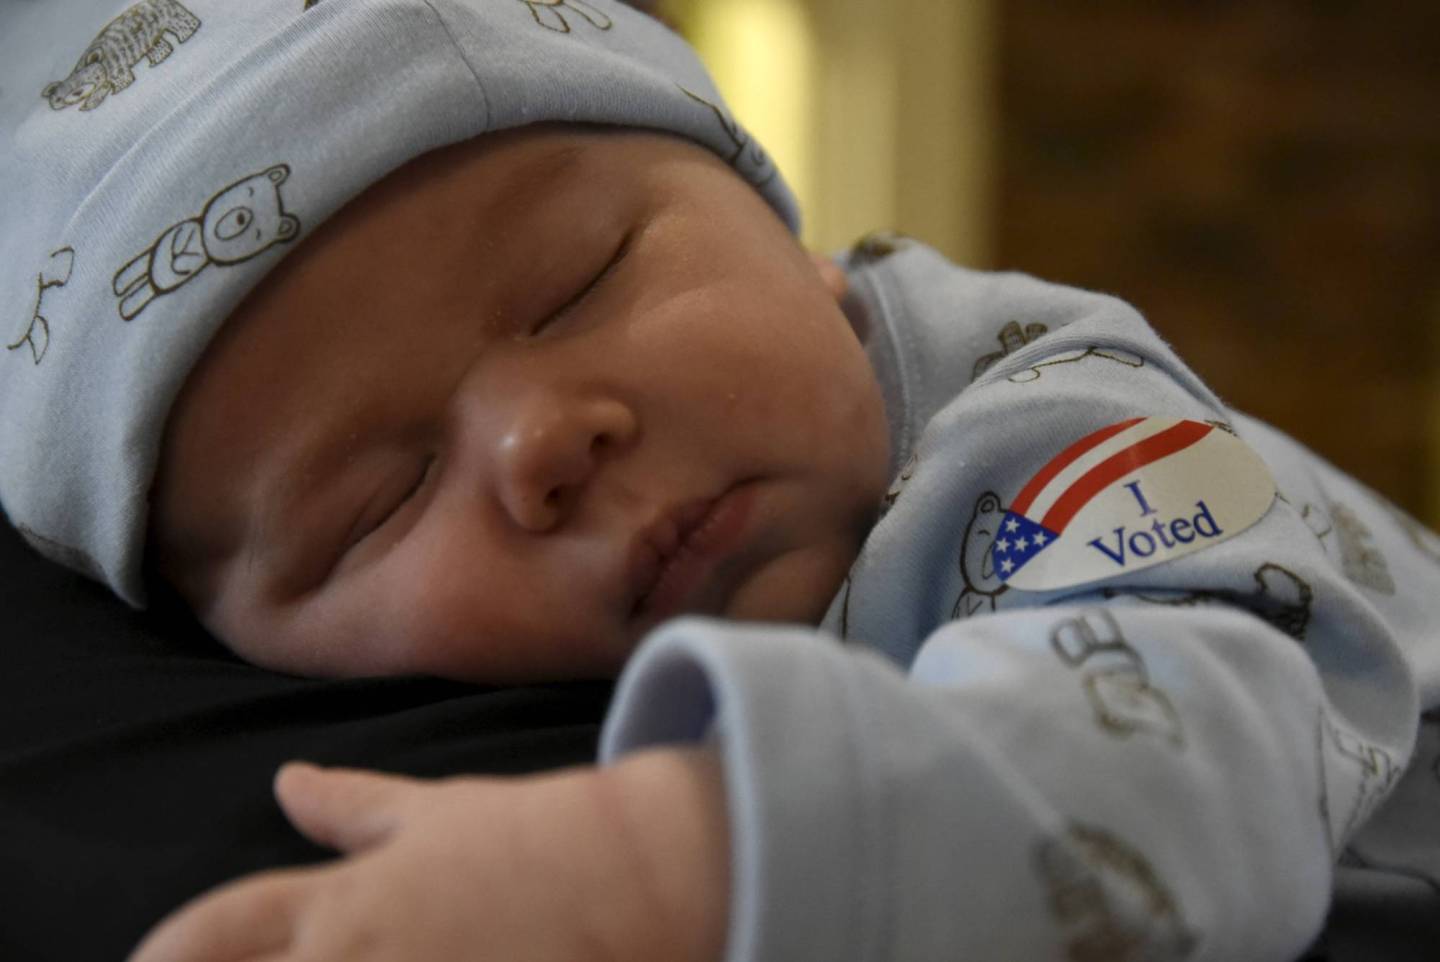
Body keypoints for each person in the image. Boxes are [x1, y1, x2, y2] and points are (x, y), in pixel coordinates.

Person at [2, 1, 1436, 960]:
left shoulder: (1039, 415)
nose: (538, 443)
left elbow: (1187, 760)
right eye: (373, 501)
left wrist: (659, 861)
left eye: (579, 283)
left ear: (790, 235)